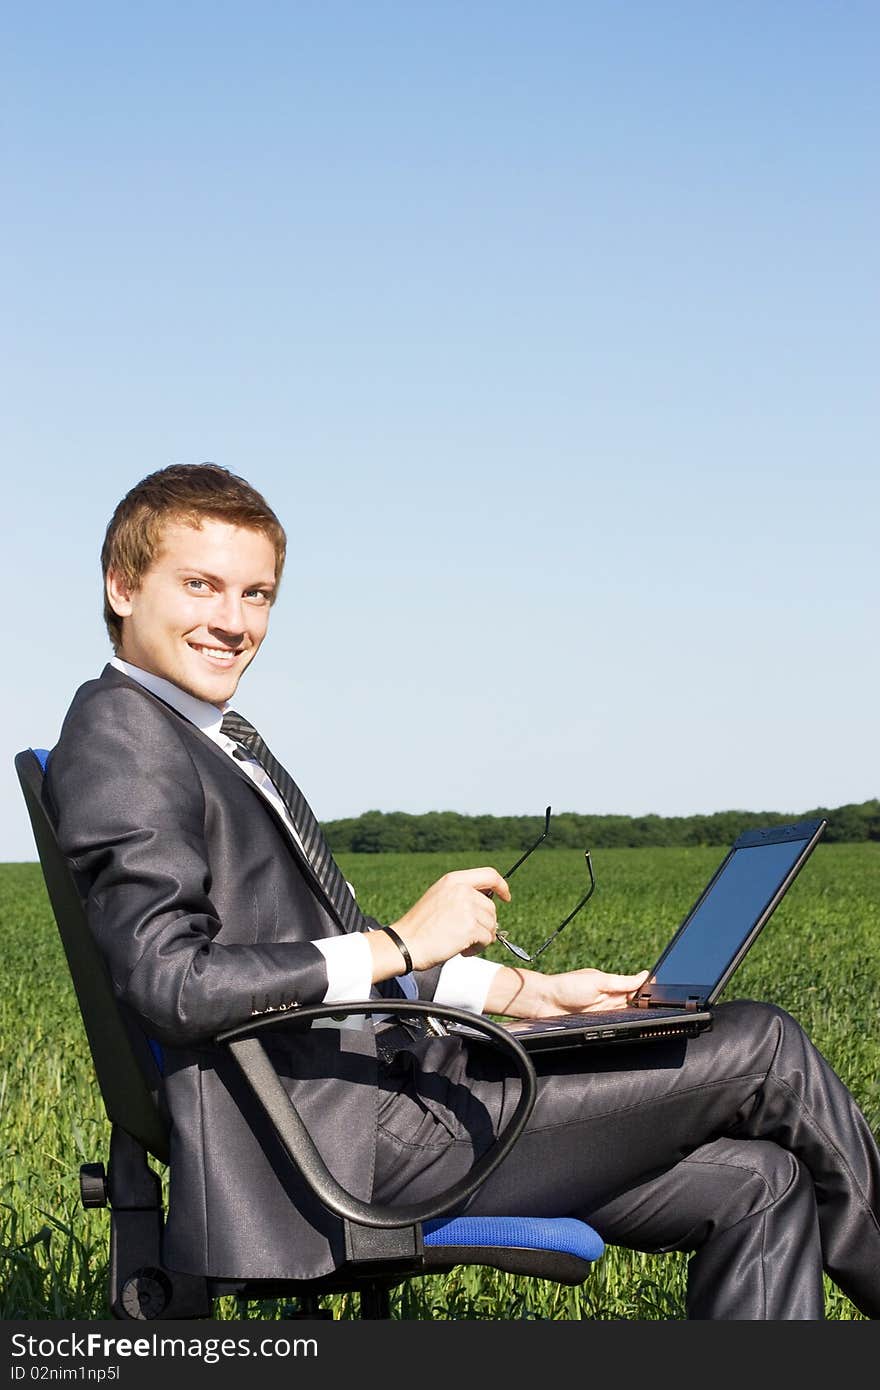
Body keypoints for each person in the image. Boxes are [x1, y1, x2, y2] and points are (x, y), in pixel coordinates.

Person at [46, 462, 879, 1320]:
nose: (233, 621)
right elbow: (174, 982)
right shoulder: (124, 733)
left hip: (394, 1101)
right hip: (352, 1136)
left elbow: (306, 948)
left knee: (762, 1182)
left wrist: (534, 995)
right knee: (765, 1045)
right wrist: (401, 942)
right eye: (201, 586)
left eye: (257, 595)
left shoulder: (209, 738)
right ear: (121, 585)